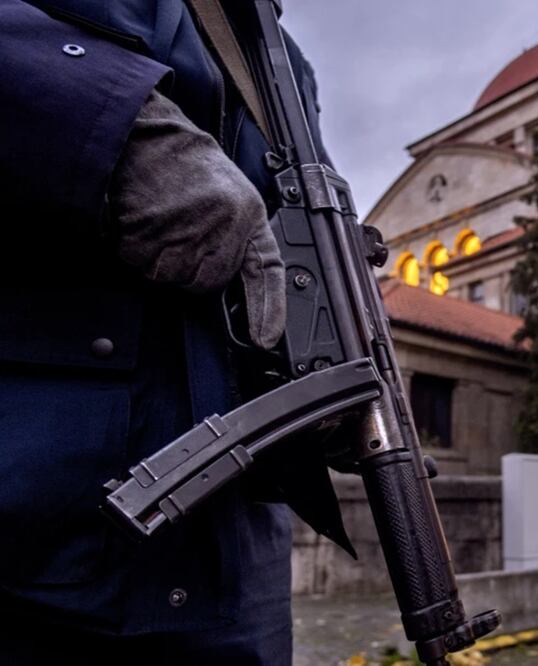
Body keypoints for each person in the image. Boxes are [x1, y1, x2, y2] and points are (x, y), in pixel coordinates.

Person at [0, 1, 334, 662]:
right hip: (36, 522)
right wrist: (111, 125)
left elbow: (294, 238)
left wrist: (328, 362)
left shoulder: (283, 61)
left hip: (234, 562)